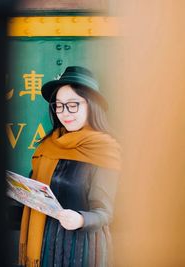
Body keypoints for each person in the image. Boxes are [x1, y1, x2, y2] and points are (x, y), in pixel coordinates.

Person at [19, 66, 121, 267]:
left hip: (82, 249)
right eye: (59, 105)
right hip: (45, 243)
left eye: (73, 105)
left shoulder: (104, 149)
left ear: (91, 106)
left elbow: (104, 212)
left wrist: (81, 220)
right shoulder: (48, 145)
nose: (65, 113)